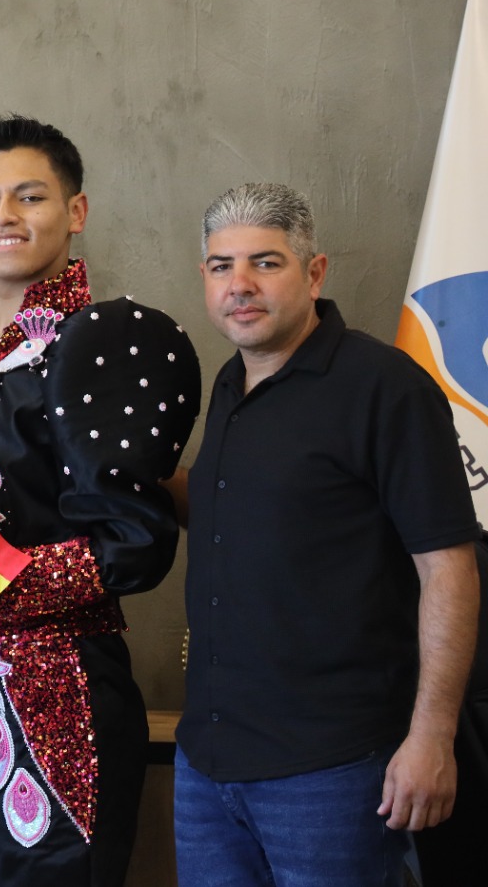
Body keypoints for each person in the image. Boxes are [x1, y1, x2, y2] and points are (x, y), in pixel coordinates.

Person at [0, 116, 201, 886]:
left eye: (29, 197)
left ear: (76, 211)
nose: (5, 216)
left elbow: (134, 544)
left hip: (56, 693)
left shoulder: (99, 342)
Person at [175, 183, 481, 887]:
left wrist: (432, 737)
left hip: (334, 772)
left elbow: (449, 569)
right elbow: (239, 514)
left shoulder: (386, 387)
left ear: (314, 273)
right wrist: (128, 475)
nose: (240, 284)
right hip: (208, 765)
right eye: (221, 266)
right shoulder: (230, 383)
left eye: (266, 263)